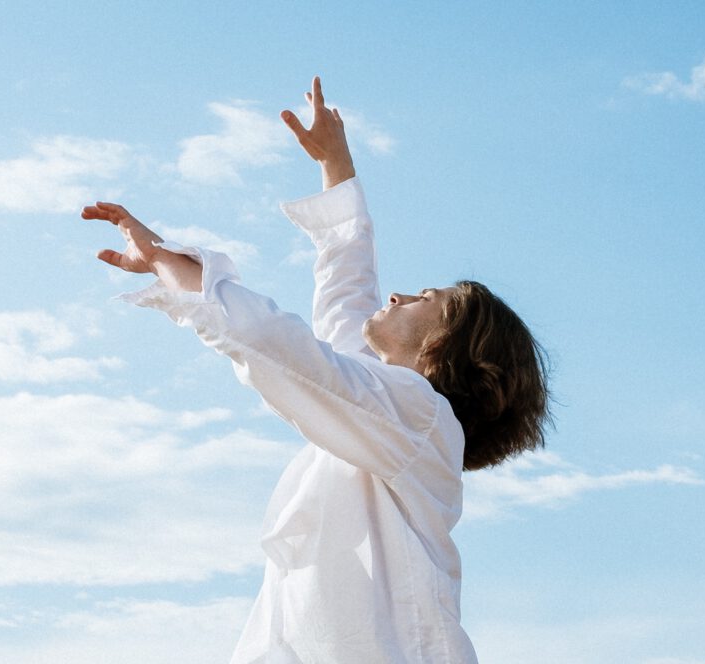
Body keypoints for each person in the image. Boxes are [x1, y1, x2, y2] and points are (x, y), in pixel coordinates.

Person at [84, 77, 550, 664]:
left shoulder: (422, 418)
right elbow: (344, 293)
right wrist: (336, 164)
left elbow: (274, 346)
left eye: (427, 297)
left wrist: (165, 261)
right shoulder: (388, 419)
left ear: (443, 349)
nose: (403, 295)